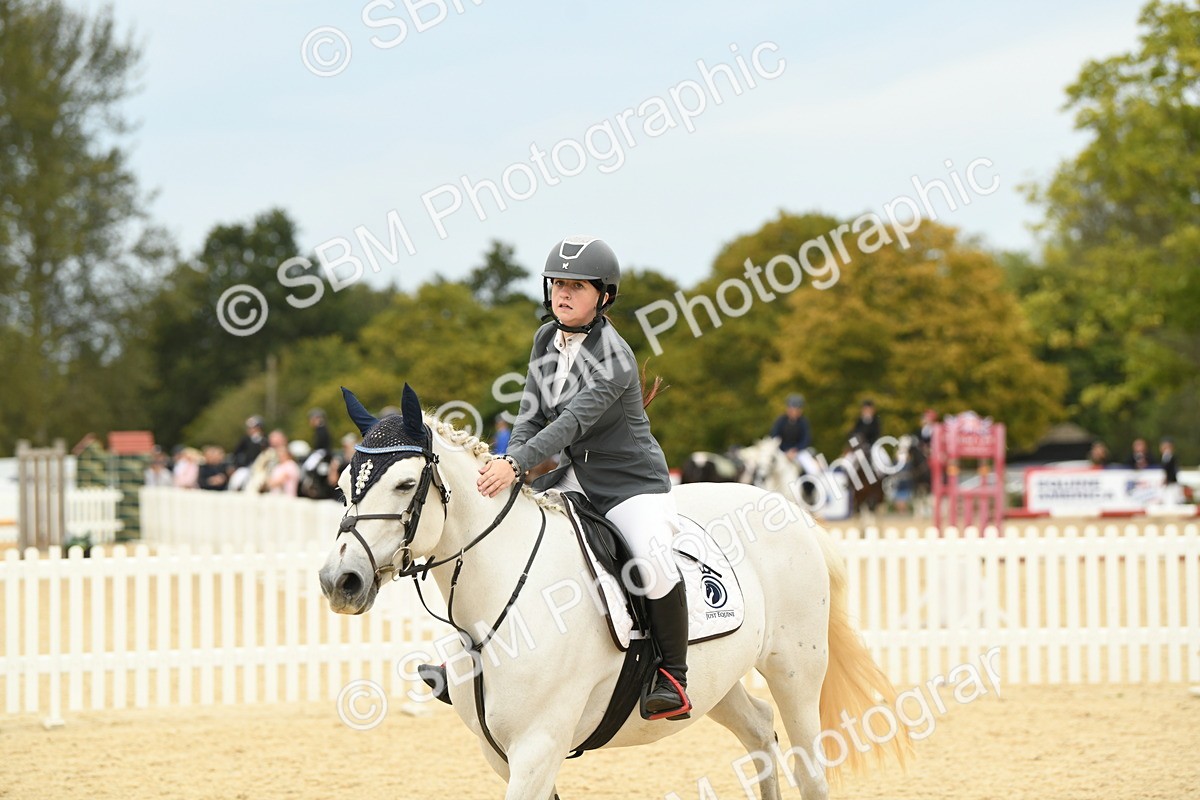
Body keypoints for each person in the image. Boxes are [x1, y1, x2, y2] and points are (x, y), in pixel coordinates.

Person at [471, 235, 690, 720]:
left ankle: (673, 673)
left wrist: (518, 465)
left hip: (631, 484)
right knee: (504, 526)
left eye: (576, 286)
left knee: (652, 561)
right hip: (577, 475)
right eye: (557, 284)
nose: (562, 294)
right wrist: (508, 462)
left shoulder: (614, 357)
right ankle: (473, 655)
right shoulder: (545, 339)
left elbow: (569, 424)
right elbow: (531, 414)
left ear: (604, 296)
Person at [770, 394, 812, 462]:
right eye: (791, 409)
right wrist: (785, 450)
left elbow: (806, 439)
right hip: (782, 451)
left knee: (811, 466)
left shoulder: (803, 422)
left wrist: (795, 450)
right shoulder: (780, 421)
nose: (793, 412)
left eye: (797, 409)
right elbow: (775, 437)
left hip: (799, 452)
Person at [264, 430, 300, 496]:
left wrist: (268, 482)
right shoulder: (279, 466)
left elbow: (279, 481)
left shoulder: (290, 465)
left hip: (286, 497)